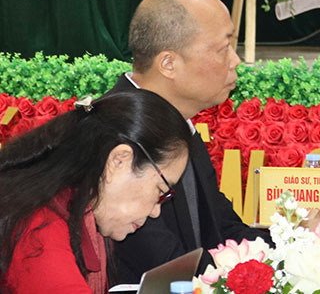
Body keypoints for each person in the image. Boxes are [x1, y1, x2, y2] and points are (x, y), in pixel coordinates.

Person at [107, 0, 270, 281]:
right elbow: (170, 267)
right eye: (223, 48)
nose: (235, 61)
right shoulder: (117, 135)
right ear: (168, 64)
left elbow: (223, 229)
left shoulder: (178, 121)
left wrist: (300, 243)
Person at [0, 89, 191, 293]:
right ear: (119, 161)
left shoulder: (79, 210)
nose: (156, 212)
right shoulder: (39, 228)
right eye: (160, 190)